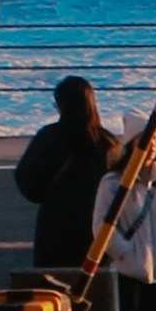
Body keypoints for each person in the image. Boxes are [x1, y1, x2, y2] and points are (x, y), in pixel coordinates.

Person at [14, 76, 114, 275]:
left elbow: (28, 184)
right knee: (96, 292)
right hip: (97, 233)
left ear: (60, 105)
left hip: (55, 229)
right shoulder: (109, 144)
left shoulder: (48, 138)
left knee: (55, 291)